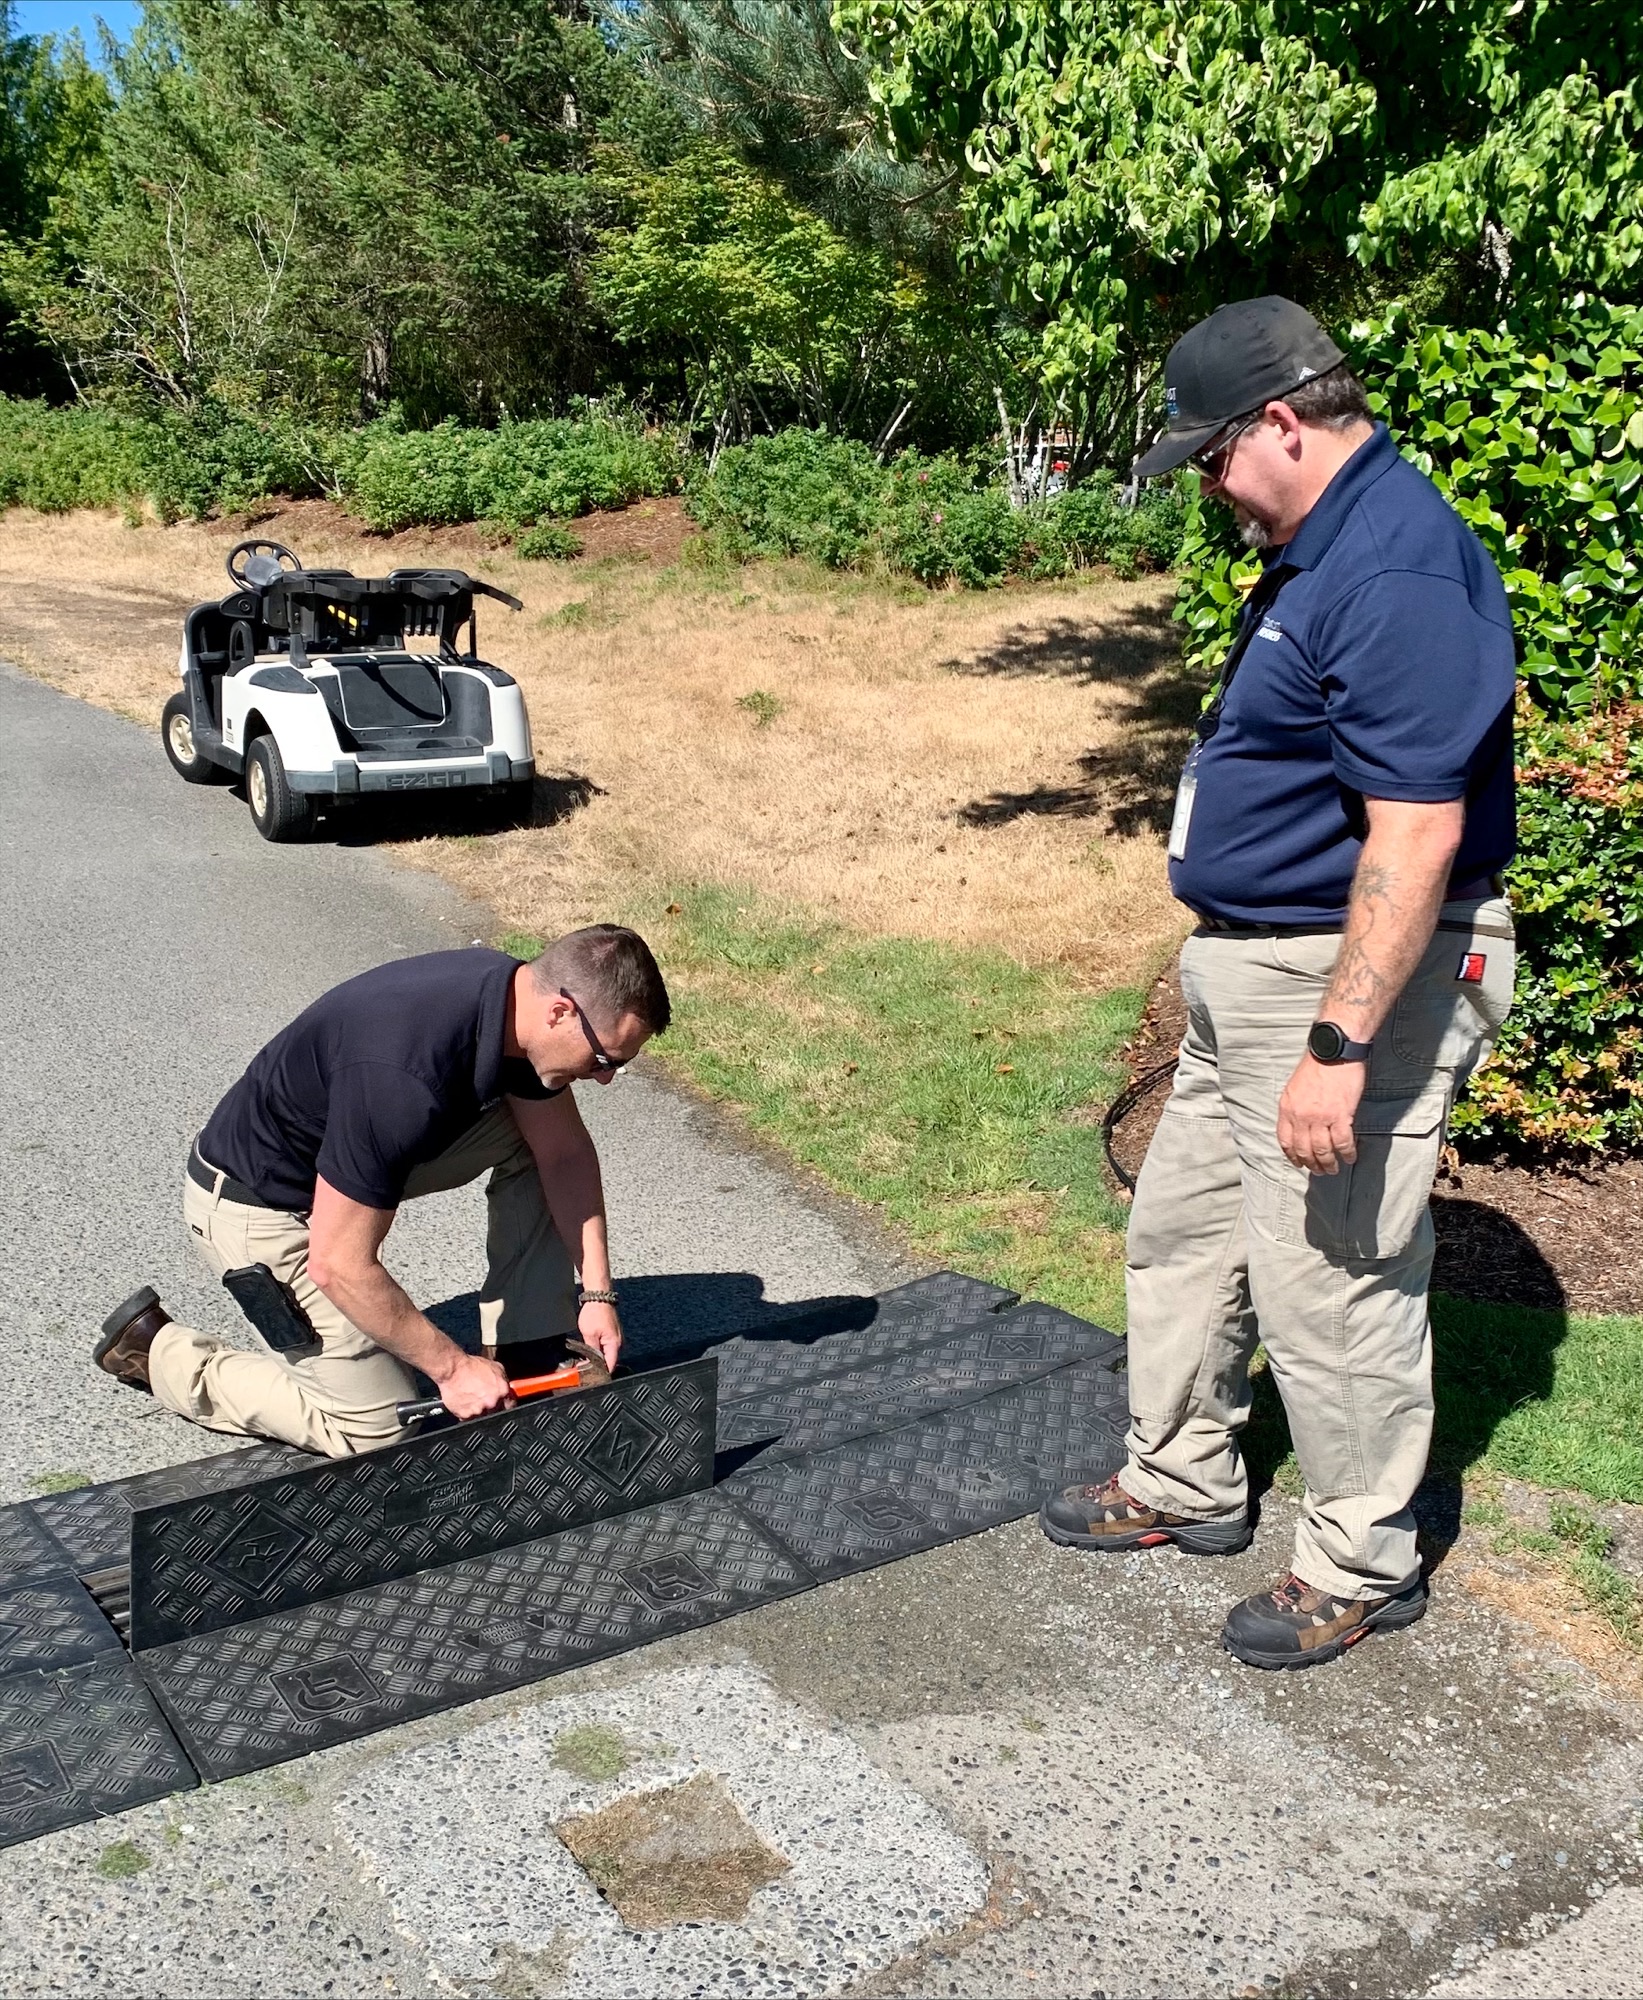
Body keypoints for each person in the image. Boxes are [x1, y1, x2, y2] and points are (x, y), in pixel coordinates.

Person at [1040, 297, 1517, 1670]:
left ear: (1280, 424)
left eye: (1207, 455)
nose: (1202, 483)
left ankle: (1359, 1556)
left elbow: (1415, 829)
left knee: (1332, 1274)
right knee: (1184, 1231)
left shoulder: (1394, 568)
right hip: (1252, 967)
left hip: (1340, 981)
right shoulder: (1319, 546)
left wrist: (1336, 1040)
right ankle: (1182, 1477)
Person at [94, 925, 670, 1456]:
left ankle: (526, 1347)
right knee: (381, 1429)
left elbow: (564, 1155)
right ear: (561, 1011)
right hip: (259, 1204)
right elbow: (339, 1262)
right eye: (602, 1060)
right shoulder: (402, 1073)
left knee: (533, 1143)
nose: (605, 1078)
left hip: (338, 1157)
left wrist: (597, 1296)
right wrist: (449, 1369)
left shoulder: (515, 1006)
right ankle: (158, 1352)